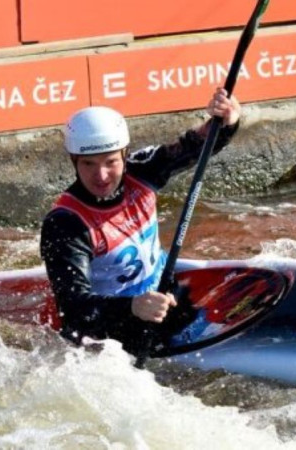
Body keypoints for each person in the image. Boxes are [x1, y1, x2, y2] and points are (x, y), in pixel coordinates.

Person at [40, 87, 241, 354]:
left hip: (164, 302)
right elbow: (73, 308)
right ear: (74, 161)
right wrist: (132, 306)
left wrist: (226, 122)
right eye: (88, 164)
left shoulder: (143, 170)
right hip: (113, 336)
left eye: (110, 162)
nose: (101, 176)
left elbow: (193, 147)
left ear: (124, 154)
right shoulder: (65, 224)